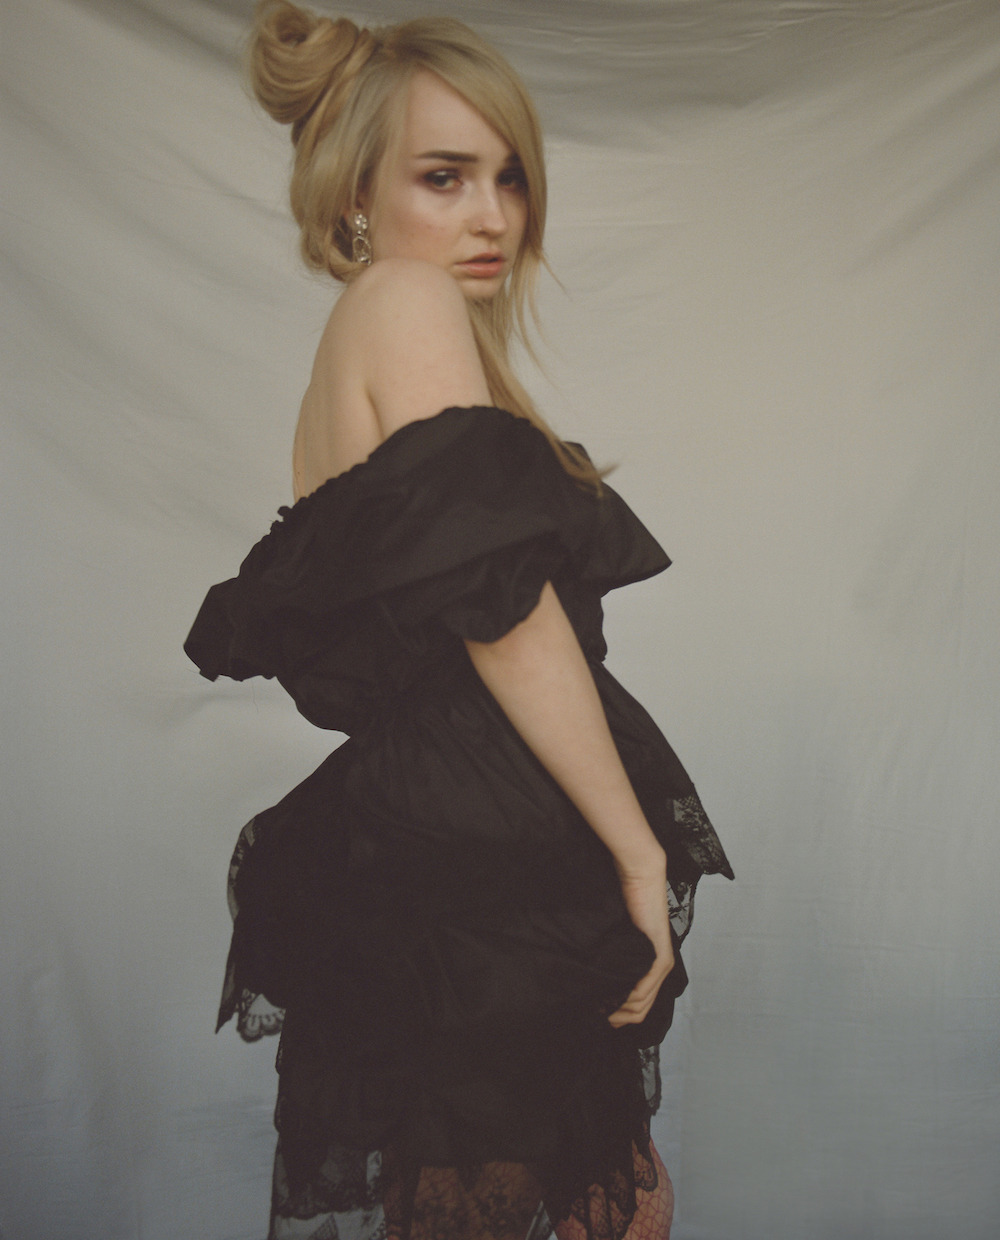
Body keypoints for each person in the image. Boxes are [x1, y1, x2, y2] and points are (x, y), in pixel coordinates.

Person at [184, 3, 733, 1238]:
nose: (493, 215)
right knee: (577, 1210)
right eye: (444, 177)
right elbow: (505, 614)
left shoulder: (367, 343)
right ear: (356, 195)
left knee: (517, 1205)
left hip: (441, 838)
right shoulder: (403, 301)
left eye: (510, 177)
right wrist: (638, 854)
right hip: (480, 852)